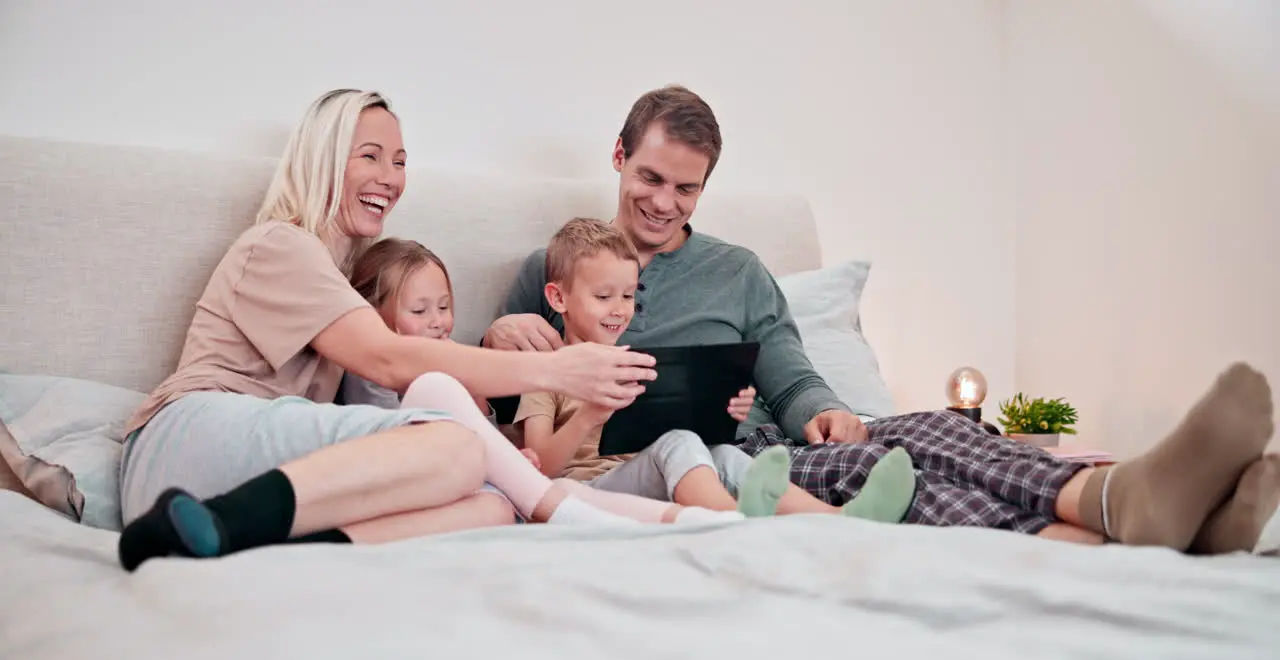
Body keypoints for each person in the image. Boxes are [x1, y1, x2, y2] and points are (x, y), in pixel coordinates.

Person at [483, 84, 1278, 554]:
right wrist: (497, 341)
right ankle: (1149, 521)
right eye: (650, 177)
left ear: (705, 190)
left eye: (686, 190)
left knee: (928, 430)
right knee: (892, 479)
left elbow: (787, 363)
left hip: (775, 441)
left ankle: (1130, 505)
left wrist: (823, 409)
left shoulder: (737, 270)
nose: (663, 203)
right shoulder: (554, 271)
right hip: (729, 473)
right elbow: (503, 409)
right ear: (619, 157)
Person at [114, 88, 724, 573]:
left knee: (488, 503)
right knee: (455, 443)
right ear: (323, 159)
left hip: (243, 476)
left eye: (400, 161)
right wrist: (553, 366)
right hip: (187, 438)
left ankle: (258, 543)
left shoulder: (341, 274)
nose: (390, 176)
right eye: (371, 156)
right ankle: (570, 510)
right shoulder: (278, 245)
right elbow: (386, 360)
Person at [332, 233, 756, 528]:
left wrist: (512, 453)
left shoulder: (462, 370)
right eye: (420, 312)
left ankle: (792, 519)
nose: (439, 322)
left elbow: (498, 440)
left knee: (712, 450)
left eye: (444, 307)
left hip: (515, 482)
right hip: (469, 479)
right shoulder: (374, 371)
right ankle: (722, 523)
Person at [513, 217, 918, 522]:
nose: (620, 309)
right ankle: (731, 523)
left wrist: (722, 409)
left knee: (720, 452)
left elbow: (665, 438)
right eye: (603, 296)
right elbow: (539, 468)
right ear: (558, 298)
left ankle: (838, 520)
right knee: (677, 444)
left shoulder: (633, 361)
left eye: (627, 295)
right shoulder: (547, 371)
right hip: (583, 491)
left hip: (644, 481)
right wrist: (587, 416)